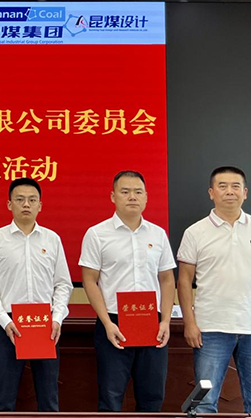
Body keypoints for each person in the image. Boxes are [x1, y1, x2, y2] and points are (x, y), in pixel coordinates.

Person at [177, 166, 251, 413]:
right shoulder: (195, 232)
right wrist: (189, 322)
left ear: (245, 193)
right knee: (202, 403)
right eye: (222, 186)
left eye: (236, 186)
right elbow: (184, 280)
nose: (229, 191)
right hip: (209, 330)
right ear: (211, 193)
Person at [79, 170, 176, 412]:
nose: (132, 197)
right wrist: (106, 323)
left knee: (152, 397)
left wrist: (165, 320)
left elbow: (167, 279)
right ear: (113, 196)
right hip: (113, 322)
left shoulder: (158, 234)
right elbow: (90, 281)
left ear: (146, 197)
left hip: (152, 324)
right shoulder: (97, 234)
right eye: (125, 192)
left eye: (138, 192)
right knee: (110, 397)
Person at [0, 177, 72, 412]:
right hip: (10, 324)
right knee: (4, 401)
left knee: (49, 400)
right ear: (9, 204)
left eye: (32, 200)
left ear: (40, 205)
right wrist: (4, 320)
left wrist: (57, 319)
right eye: (20, 199)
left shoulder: (52, 239)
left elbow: (63, 284)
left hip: (45, 325)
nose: (26, 204)